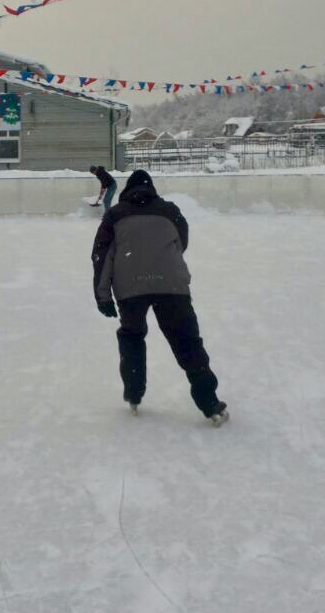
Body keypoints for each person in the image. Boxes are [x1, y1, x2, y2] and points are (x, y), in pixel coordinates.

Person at [91, 169, 228, 425]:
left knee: (132, 337)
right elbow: (182, 242)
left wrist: (103, 296)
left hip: (130, 286)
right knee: (187, 342)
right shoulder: (170, 210)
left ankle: (134, 394)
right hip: (171, 285)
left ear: (126, 191)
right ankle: (210, 403)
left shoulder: (115, 214)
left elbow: (101, 255)